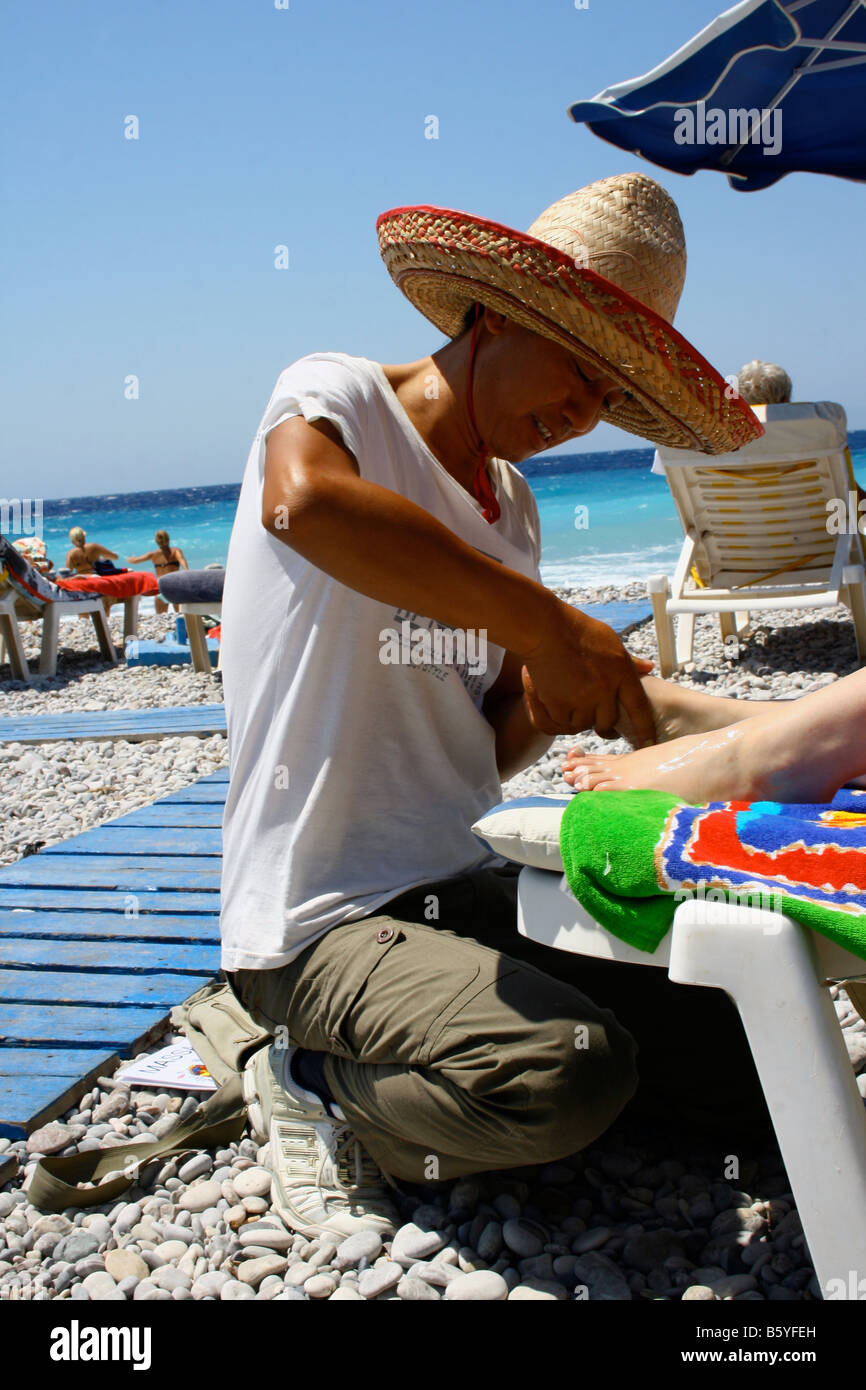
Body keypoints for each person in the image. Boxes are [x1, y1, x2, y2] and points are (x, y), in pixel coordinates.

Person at [218, 173, 765, 1240]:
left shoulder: (510, 513)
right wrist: (550, 627)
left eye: (610, 396)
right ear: (495, 314)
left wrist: (565, 695)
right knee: (564, 1079)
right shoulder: (339, 397)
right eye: (578, 368)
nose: (581, 411)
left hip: (460, 880)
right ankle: (307, 1079)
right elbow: (301, 504)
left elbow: (481, 740)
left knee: (731, 1060)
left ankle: (447, 1077)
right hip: (320, 918)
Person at [127, 530, 188, 613]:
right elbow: (182, 561)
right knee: (181, 615)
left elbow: (135, 561)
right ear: (168, 539)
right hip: (175, 585)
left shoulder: (153, 554)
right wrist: (187, 573)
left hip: (160, 588)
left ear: (156, 542)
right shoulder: (176, 551)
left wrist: (131, 559)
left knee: (161, 617)